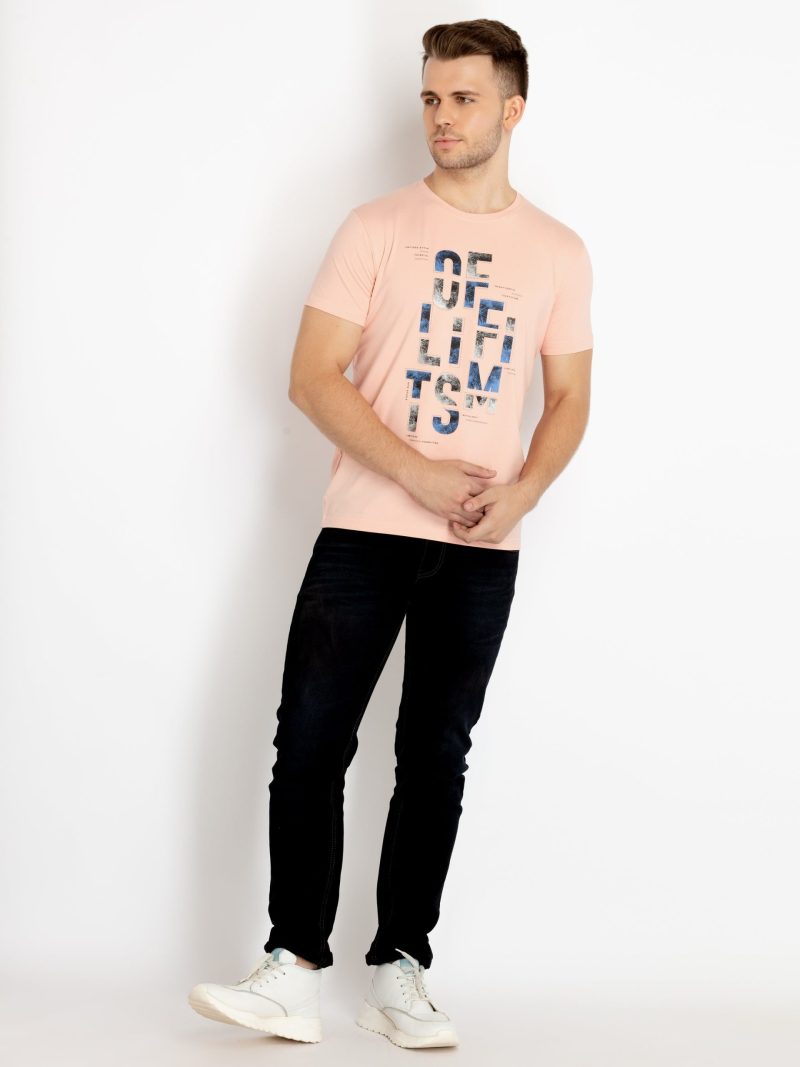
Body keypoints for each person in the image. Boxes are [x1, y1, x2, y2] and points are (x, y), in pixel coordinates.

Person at [188, 17, 593, 1049]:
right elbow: (310, 375)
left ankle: (400, 968)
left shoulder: (557, 251)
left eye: (462, 98)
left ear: (512, 109)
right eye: (429, 98)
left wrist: (524, 492)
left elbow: (569, 398)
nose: (440, 117)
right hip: (363, 533)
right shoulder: (373, 227)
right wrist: (414, 469)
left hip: (480, 545)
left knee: (435, 755)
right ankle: (291, 965)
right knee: (310, 742)